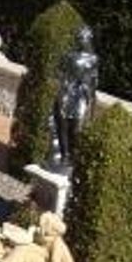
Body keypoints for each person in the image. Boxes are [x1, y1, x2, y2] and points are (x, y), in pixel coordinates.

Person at [46, 26, 99, 171]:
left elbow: (94, 80)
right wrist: (62, 88)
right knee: (62, 125)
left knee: (76, 127)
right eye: (80, 38)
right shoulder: (69, 56)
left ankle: (75, 156)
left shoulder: (94, 59)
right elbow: (60, 73)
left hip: (82, 95)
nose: (83, 41)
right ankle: (65, 155)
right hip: (67, 93)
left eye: (85, 38)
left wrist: (92, 100)